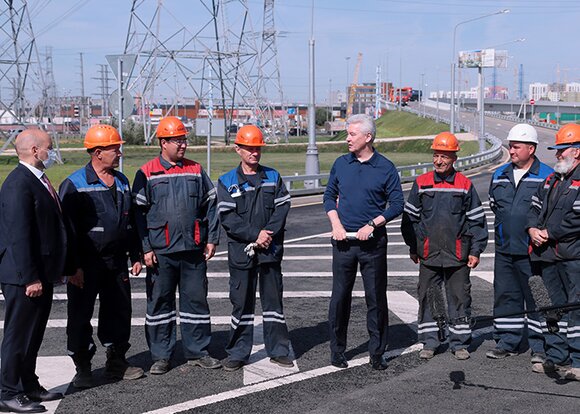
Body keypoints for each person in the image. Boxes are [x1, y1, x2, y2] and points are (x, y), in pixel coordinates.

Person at [132, 116, 221, 375]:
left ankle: (198, 351)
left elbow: (211, 205)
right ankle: (161, 356)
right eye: (177, 140)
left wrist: (212, 239)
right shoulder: (147, 173)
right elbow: (138, 215)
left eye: (184, 140)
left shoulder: (196, 170)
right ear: (163, 142)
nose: (182, 145)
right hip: (161, 252)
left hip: (193, 250)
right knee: (160, 305)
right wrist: (145, 248)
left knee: (196, 303)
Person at [58, 124, 144, 389]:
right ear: (97, 153)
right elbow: (66, 231)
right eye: (114, 149)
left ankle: (116, 360)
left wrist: (135, 254)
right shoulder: (74, 184)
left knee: (119, 311)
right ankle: (83, 366)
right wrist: (72, 267)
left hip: (116, 262)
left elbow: (130, 222)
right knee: (80, 315)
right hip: (86, 265)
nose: (119, 153)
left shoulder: (122, 181)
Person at [323, 114, 404, 370]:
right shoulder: (341, 164)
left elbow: (397, 204)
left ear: (368, 137)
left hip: (373, 245)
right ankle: (337, 350)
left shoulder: (386, 167)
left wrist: (372, 225)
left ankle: (377, 353)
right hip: (343, 243)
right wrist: (336, 225)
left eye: (352, 134)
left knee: (376, 299)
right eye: (347, 134)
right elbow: (328, 196)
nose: (347, 138)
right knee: (339, 298)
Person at [0, 129, 73, 413]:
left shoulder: (36, 179)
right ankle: (8, 391)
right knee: (18, 335)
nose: (51, 152)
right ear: (34, 150)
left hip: (40, 272)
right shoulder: (18, 183)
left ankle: (28, 384)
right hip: (23, 276)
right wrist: (30, 277)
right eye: (49, 147)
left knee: (33, 334)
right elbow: (18, 235)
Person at [401, 132, 488, 361]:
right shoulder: (421, 183)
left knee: (459, 298)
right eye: (436, 155)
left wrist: (475, 250)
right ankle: (430, 342)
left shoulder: (464, 185)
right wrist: (414, 246)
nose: (439, 161)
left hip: (457, 255)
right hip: (428, 254)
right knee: (429, 297)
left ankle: (459, 343)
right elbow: (409, 219)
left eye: (444, 156)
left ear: (454, 159)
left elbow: (477, 220)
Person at [217, 125, 293, 371]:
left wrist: (267, 233)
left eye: (258, 148)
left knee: (273, 304)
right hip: (242, 253)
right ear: (238, 149)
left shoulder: (272, 177)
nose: (254, 153)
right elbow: (228, 218)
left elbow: (282, 207)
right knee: (241, 304)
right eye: (249, 148)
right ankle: (238, 352)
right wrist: (255, 235)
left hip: (269, 250)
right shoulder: (227, 181)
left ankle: (278, 350)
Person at [486, 124, 553, 363]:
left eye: (516, 147)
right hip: (505, 249)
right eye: (510, 146)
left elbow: (551, 212)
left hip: (534, 252)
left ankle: (540, 346)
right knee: (506, 297)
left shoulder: (547, 176)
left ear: (531, 149)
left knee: (537, 297)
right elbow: (494, 205)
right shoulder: (499, 174)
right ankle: (507, 342)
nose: (511, 151)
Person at [527, 123, 580, 380]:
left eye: (562, 150)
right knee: (551, 307)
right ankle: (558, 355)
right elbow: (533, 208)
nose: (557, 154)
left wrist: (549, 233)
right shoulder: (551, 180)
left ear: (577, 151)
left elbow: (576, 219)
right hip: (548, 256)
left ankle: (578, 360)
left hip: (573, 257)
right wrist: (531, 228)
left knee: (576, 308)